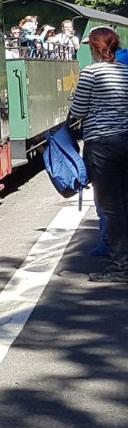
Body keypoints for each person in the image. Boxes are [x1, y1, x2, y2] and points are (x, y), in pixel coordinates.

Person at [67, 26, 128, 281]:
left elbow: (79, 109)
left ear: (95, 48)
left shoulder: (91, 72)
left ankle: (120, 267)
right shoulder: (126, 71)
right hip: (125, 139)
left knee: (111, 207)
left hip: (102, 145)